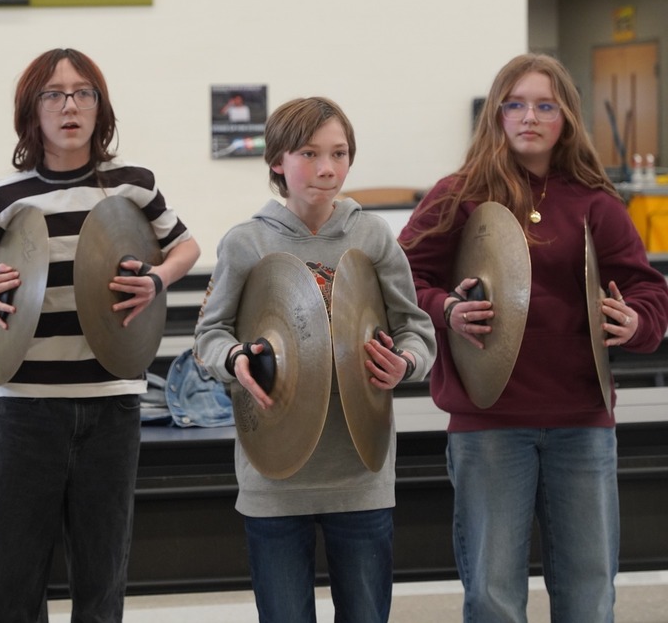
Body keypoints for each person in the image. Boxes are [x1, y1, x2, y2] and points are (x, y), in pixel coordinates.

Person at [399, 53, 668, 622]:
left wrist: (637, 322)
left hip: (582, 421)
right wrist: (444, 308)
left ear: (566, 117)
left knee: (589, 591)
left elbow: (649, 292)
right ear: (496, 115)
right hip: (490, 422)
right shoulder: (458, 194)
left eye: (545, 105)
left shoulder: (596, 200)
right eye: (515, 104)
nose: (530, 117)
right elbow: (399, 280)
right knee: (494, 593)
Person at [0, 47, 200, 623]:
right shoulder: (6, 198)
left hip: (110, 404)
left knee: (101, 576)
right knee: (9, 581)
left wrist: (159, 280)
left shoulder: (134, 186)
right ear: (31, 111)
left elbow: (185, 245)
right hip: (24, 406)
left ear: (100, 107)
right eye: (55, 94)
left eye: (84, 92)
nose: (71, 105)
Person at [194, 96, 436, 623]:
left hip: (361, 473)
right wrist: (232, 357)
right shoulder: (246, 241)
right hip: (275, 479)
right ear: (278, 161)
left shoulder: (372, 237)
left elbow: (415, 328)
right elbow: (208, 337)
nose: (327, 168)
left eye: (340, 153)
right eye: (309, 153)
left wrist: (408, 363)